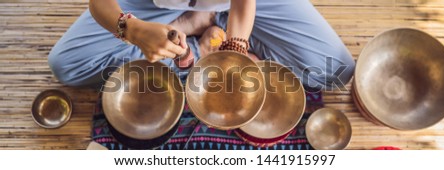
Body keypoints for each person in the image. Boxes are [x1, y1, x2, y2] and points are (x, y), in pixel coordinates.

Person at [48, 0, 355, 91]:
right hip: (154, 3)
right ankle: (188, 30)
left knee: (335, 71)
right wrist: (133, 30)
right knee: (68, 65)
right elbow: (100, 3)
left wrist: (236, 44)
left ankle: (201, 32)